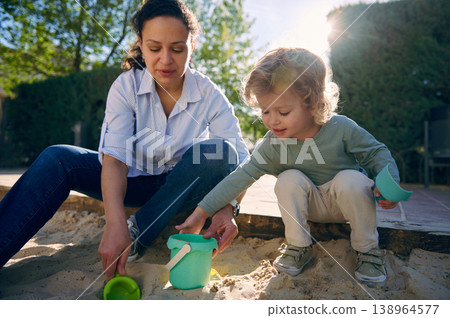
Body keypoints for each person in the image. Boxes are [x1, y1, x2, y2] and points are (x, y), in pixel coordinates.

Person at [0, 0, 249, 281]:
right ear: (141, 45)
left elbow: (241, 159)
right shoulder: (125, 86)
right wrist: (114, 223)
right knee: (57, 157)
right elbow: (115, 160)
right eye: (155, 48)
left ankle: (139, 232)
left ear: (191, 49)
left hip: (181, 188)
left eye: (177, 49)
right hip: (129, 181)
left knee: (220, 152)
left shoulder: (210, 93)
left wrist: (230, 208)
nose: (166, 60)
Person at [177, 47, 400, 284]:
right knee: (288, 178)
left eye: (283, 111)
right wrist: (200, 214)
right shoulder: (273, 145)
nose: (272, 120)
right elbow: (240, 176)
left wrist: (390, 184)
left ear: (312, 103)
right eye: (265, 111)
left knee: (351, 179)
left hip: (344, 203)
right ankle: (298, 247)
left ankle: (367, 251)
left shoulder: (341, 128)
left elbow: (376, 152)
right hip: (309, 205)